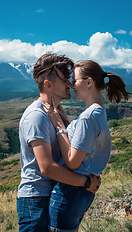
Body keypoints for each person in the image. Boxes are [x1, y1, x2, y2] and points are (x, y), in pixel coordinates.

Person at [44, 60, 132, 231]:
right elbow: (84, 142)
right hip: (80, 191)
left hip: (70, 191)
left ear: (89, 82)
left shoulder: (88, 117)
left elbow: (72, 162)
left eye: (75, 80)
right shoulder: (98, 111)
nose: (71, 84)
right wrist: (66, 120)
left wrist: (59, 127)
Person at [17, 53, 101, 232]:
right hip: (35, 200)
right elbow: (46, 167)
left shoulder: (53, 114)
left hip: (47, 195)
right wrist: (85, 182)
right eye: (65, 80)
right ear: (48, 84)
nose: (70, 84)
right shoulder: (37, 117)